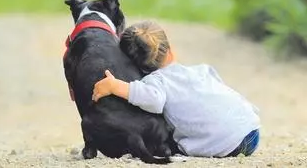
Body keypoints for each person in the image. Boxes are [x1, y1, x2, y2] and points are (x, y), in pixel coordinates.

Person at [92, 21, 260, 157]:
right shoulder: (202, 70)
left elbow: (152, 99)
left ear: (135, 68)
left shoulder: (156, 81)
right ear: (170, 51)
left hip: (229, 144)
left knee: (172, 143)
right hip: (251, 128)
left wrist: (116, 86)